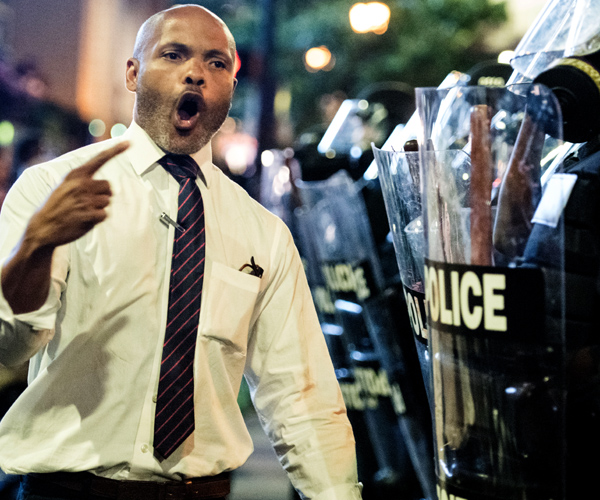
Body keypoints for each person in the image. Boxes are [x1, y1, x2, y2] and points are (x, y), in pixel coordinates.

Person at [0, 5, 362, 500]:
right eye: (174, 54)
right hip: (67, 490)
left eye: (217, 63)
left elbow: (300, 395)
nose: (196, 72)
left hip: (202, 492)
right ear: (133, 73)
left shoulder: (263, 233)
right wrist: (36, 246)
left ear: (230, 87)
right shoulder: (53, 189)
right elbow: (8, 346)